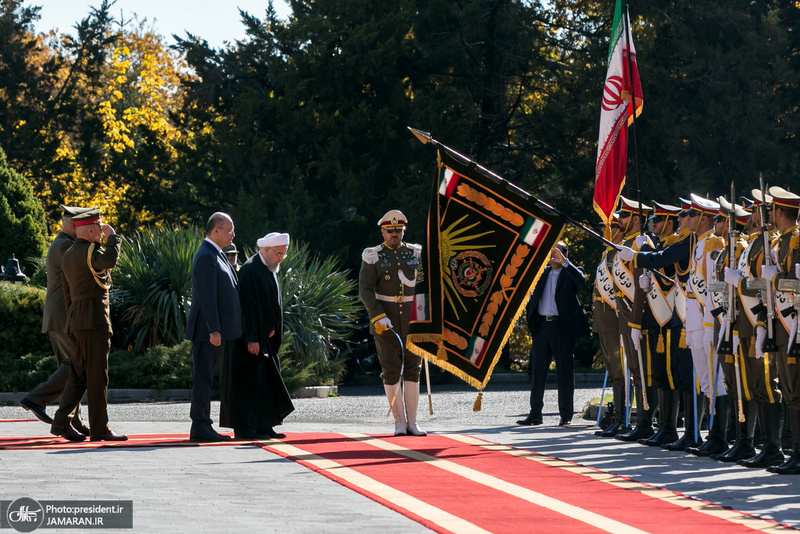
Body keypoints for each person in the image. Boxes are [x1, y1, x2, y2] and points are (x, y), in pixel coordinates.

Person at [49, 208, 126, 442]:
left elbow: (66, 293)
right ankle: (100, 428)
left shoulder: (69, 252)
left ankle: (61, 421)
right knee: (97, 376)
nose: (102, 232)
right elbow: (109, 261)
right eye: (100, 228)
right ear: (91, 229)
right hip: (93, 321)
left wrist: (73, 318)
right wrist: (114, 238)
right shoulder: (90, 251)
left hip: (76, 320)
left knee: (79, 375)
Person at [19, 205, 92, 433]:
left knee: (72, 367)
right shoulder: (67, 247)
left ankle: (73, 420)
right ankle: (36, 398)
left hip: (59, 314)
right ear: (73, 225)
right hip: (64, 315)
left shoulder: (62, 244)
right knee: (78, 367)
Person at [220, 232, 295, 440]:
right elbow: (247, 307)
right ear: (267, 250)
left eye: (283, 255)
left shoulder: (268, 268)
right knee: (248, 385)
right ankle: (245, 428)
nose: (281, 258)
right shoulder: (250, 270)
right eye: (279, 254)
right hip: (251, 341)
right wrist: (252, 337)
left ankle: (264, 425)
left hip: (265, 340)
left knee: (265, 384)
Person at [359, 210, 426, 436]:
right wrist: (378, 315)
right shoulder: (373, 256)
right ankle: (399, 421)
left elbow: (425, 286)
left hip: (413, 320)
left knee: (413, 369)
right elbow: (365, 291)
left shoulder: (416, 253)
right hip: (385, 321)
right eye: (390, 231)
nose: (394, 234)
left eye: (398, 230)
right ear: (383, 232)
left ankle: (413, 422)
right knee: (390, 370)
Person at [185, 212, 242, 442]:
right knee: (203, 378)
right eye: (229, 230)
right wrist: (214, 329)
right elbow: (207, 297)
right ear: (215, 230)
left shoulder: (215, 254)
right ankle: (200, 426)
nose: (233, 234)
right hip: (207, 331)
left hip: (213, 330)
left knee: (206, 377)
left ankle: (202, 424)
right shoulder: (207, 256)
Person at [517, 240, 587, 427]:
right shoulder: (543, 273)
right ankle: (535, 413)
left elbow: (581, 282)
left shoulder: (570, 271)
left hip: (561, 328)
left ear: (564, 254)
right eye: (550, 252)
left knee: (564, 372)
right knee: (537, 371)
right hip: (542, 327)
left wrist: (565, 262)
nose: (552, 256)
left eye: (556, 252)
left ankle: (565, 415)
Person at [759, 186, 800, 474]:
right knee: (789, 390)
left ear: (779, 211)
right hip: (783, 325)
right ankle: (794, 451)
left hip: (795, 324)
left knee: (795, 390)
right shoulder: (780, 243)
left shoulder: (796, 242)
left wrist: (776, 278)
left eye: (772, 210)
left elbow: (795, 283)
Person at [593, 218, 629, 437]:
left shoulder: (618, 254)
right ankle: (617, 415)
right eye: (605, 228)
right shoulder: (607, 254)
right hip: (604, 320)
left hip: (615, 321)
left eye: (612, 227)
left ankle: (622, 418)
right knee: (613, 370)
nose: (606, 231)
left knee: (621, 371)